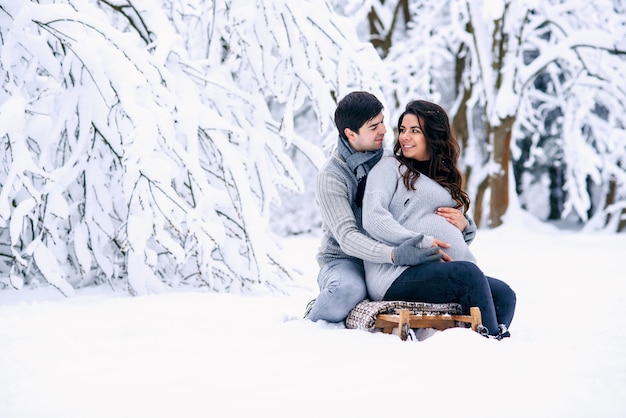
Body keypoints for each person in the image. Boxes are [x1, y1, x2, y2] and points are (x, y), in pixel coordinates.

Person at [362, 99, 516, 338]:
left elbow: (447, 233)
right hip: (395, 274)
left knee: (504, 294)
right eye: (403, 130)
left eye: (415, 131)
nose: (405, 137)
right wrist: (421, 241)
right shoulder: (388, 167)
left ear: (433, 136)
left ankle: (488, 339)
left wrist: (466, 226)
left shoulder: (441, 177)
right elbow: (373, 218)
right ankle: (489, 346)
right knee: (468, 275)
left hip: (433, 272)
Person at [305, 92, 442, 323]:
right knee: (346, 290)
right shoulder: (332, 177)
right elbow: (347, 237)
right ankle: (309, 326)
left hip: (395, 253)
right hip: (347, 260)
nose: (384, 131)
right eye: (373, 126)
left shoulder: (391, 161)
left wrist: (464, 223)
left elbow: (430, 199)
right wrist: (393, 255)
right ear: (351, 134)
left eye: (382, 121)